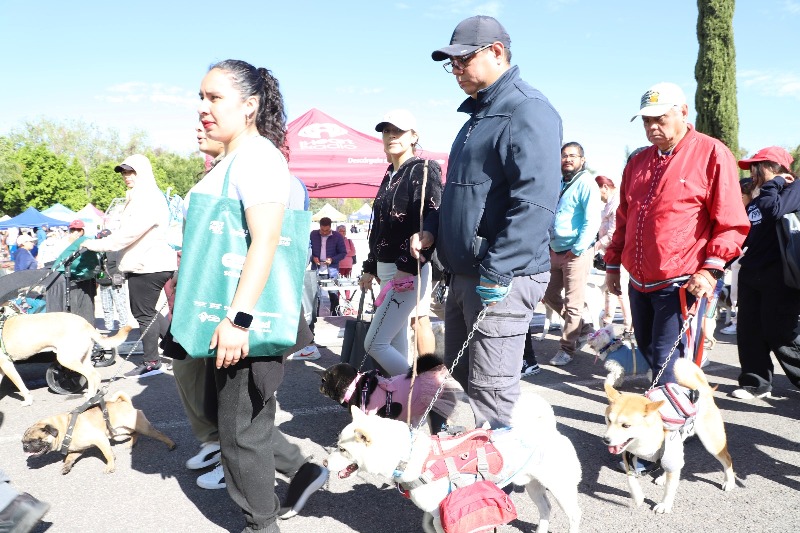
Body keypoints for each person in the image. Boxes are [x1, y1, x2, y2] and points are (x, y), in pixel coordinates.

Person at [187, 59, 326, 533]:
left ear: (249, 106)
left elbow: (267, 240)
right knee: (243, 424)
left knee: (241, 433)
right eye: (201, 97)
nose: (203, 107)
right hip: (226, 314)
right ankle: (299, 475)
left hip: (246, 320)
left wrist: (239, 320)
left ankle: (262, 526)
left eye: (214, 97)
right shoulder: (235, 158)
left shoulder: (259, 158)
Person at [431, 15, 562, 427]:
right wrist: (434, 233)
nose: (455, 70)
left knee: (492, 392)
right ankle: (481, 475)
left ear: (497, 52)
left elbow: (536, 202)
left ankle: (494, 487)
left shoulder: (527, 109)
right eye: (450, 63)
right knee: (463, 377)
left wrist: (499, 268)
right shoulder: (478, 116)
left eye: (462, 60)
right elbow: (464, 195)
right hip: (466, 273)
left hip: (500, 275)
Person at [604, 82, 749, 385]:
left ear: (683, 112)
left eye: (660, 118)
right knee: (649, 352)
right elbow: (624, 218)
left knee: (668, 363)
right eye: (646, 120)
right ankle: (674, 417)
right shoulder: (637, 161)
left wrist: (711, 269)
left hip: (681, 280)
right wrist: (613, 264)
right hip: (640, 282)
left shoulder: (712, 153)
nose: (652, 127)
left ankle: (677, 427)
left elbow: (731, 221)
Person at [358, 109, 442, 376]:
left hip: (408, 267)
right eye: (386, 130)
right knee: (392, 341)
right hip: (386, 267)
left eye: (399, 130)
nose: (391, 135)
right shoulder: (389, 174)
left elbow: (431, 217)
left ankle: (420, 393)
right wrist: (369, 267)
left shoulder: (424, 169)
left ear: (414, 136)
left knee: (375, 343)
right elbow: (379, 227)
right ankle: (403, 408)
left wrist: (408, 264)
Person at [81, 155, 177, 378]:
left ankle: (152, 362)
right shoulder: (141, 196)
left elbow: (129, 234)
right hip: (150, 262)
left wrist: (97, 244)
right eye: (124, 172)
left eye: (131, 172)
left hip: (148, 264)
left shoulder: (147, 197)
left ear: (142, 172)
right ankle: (178, 351)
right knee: (149, 312)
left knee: (143, 314)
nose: (126, 176)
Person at [732, 147, 800, 399]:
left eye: (756, 166)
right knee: (749, 330)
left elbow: (774, 210)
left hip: (780, 275)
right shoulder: (758, 195)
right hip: (752, 271)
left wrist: (776, 183)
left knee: (780, 331)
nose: (752, 172)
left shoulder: (794, 188)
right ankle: (756, 383)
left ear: (773, 167)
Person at [542, 142, 601, 366]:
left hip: (576, 252)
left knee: (573, 302)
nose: (568, 159)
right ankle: (583, 328)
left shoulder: (587, 183)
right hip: (555, 249)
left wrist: (577, 249)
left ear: (582, 160)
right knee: (548, 294)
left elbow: (592, 219)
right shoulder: (559, 182)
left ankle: (567, 349)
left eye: (573, 156)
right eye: (564, 156)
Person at [595, 175, 632, 335]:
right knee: (611, 288)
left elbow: (613, 232)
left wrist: (596, 246)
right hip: (610, 252)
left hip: (619, 252)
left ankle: (628, 324)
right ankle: (608, 322)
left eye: (597, 191)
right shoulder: (608, 204)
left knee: (619, 289)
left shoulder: (616, 203)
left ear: (604, 187)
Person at [51, 220, 101, 325]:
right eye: (74, 230)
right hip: (67, 279)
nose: (77, 232)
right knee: (72, 309)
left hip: (85, 279)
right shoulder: (61, 244)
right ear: (71, 231)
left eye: (78, 230)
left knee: (86, 309)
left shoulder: (86, 243)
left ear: (82, 231)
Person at [309, 217, 346, 316]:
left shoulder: (337, 236)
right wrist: (313, 258)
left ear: (330, 227)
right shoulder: (313, 234)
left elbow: (343, 253)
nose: (324, 232)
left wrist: (332, 259)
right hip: (316, 270)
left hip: (332, 271)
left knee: (333, 295)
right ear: (319, 227)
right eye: (322, 230)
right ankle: (314, 316)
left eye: (327, 230)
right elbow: (307, 250)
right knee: (315, 296)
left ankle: (335, 316)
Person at [97, 247, 130, 332]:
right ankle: (109, 328)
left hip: (116, 283)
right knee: (106, 308)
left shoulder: (116, 251)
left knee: (120, 306)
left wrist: (121, 276)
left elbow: (123, 264)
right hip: (103, 283)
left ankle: (123, 328)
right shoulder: (97, 253)